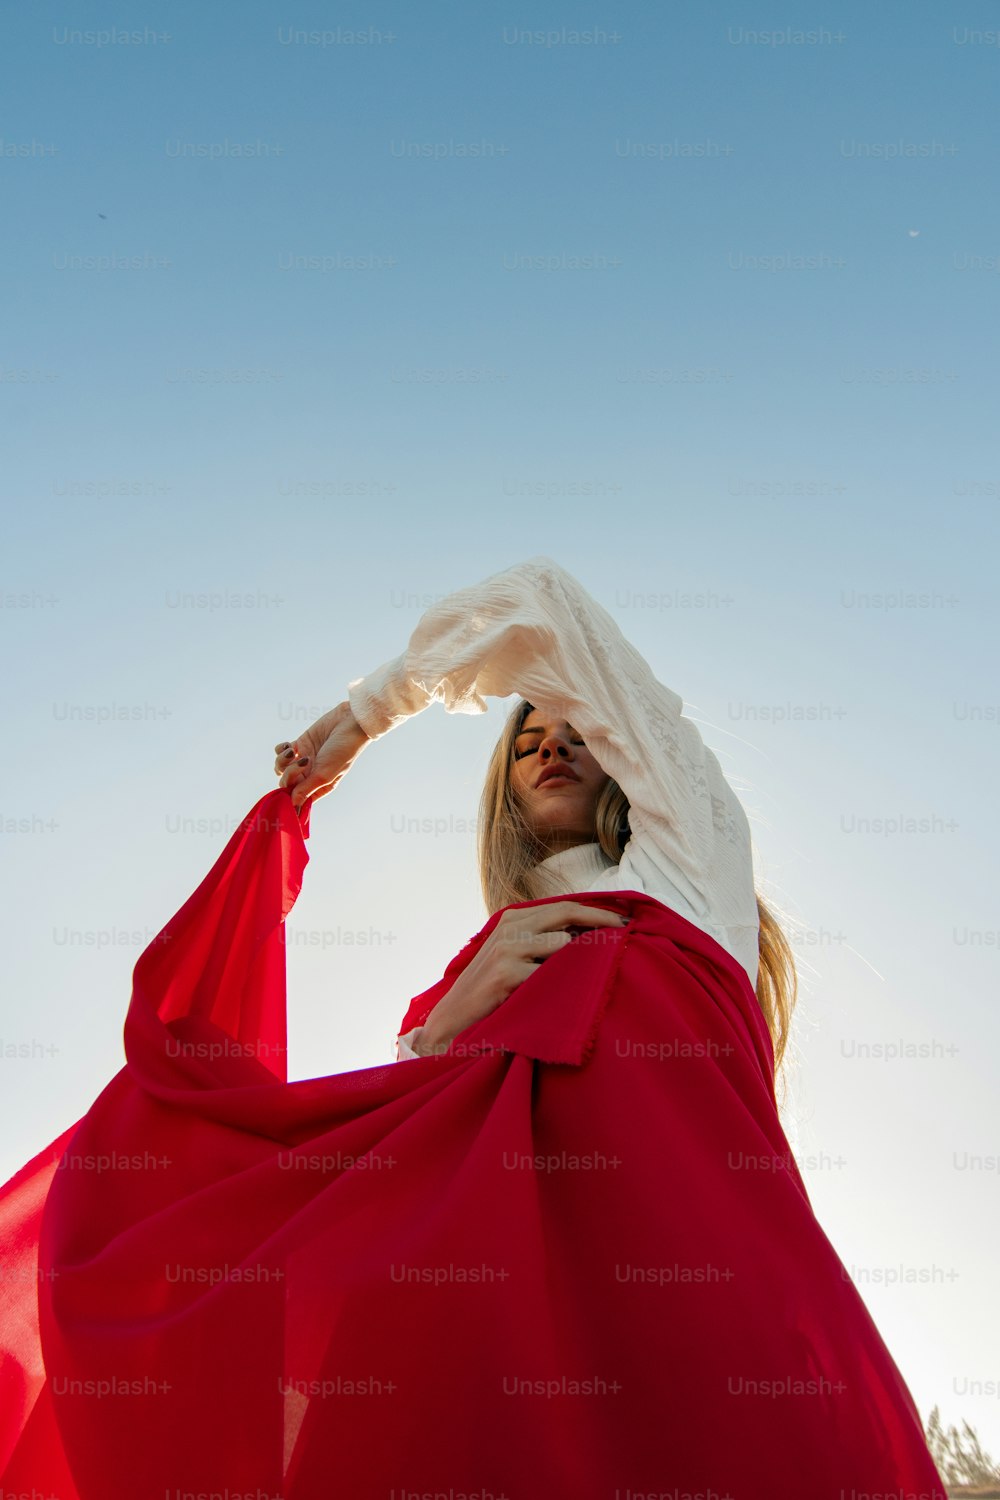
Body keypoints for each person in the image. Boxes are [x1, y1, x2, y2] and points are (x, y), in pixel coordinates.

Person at [0, 556, 947, 1498]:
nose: (550, 744)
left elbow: (546, 603)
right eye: (529, 733)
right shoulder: (458, 984)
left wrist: (364, 715)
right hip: (479, 1349)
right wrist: (450, 1025)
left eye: (579, 729)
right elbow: (402, 1183)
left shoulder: (691, 872)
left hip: (707, 1310)